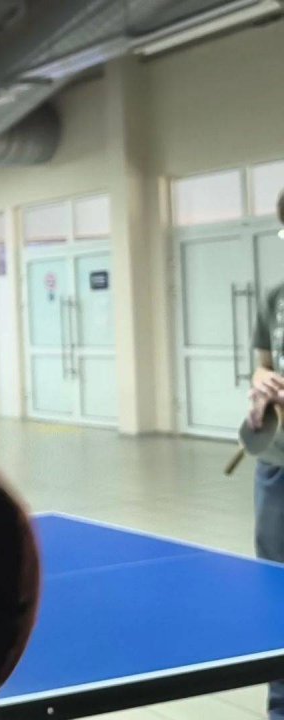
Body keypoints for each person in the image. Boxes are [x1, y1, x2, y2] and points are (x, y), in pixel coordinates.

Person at [249, 189, 284, 720]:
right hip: (277, 465)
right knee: (278, 593)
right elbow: (261, 366)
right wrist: (260, 387)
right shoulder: (276, 296)